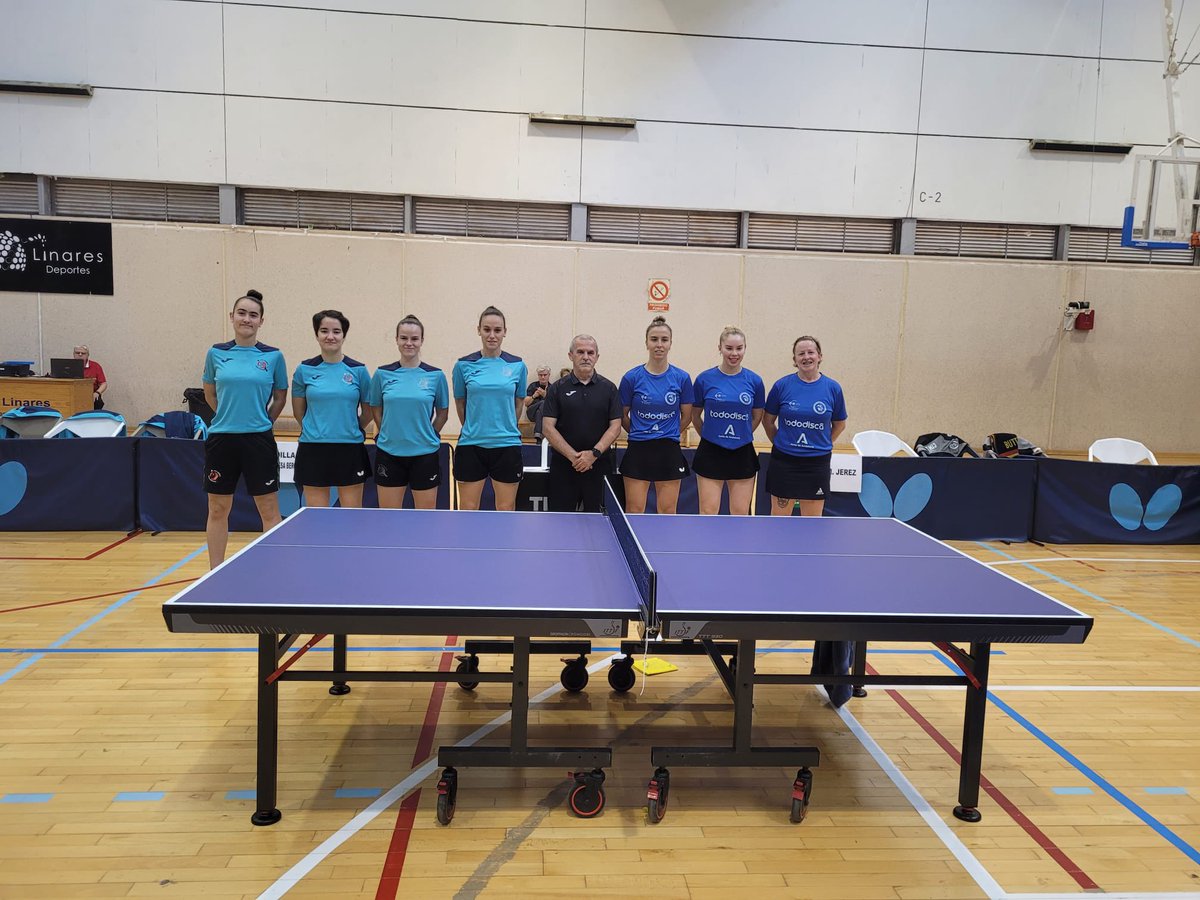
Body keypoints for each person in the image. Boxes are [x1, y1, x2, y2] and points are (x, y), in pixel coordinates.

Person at [201, 289, 287, 567]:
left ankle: (274, 569)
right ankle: (215, 571)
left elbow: (280, 396)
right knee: (217, 508)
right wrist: (229, 417)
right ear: (232, 317)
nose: (247, 319)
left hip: (258, 440)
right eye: (242, 313)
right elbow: (210, 394)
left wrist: (261, 422)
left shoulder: (273, 356)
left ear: (261, 321)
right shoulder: (216, 353)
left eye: (253, 315)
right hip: (222, 440)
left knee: (269, 509)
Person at [291, 309, 372, 510]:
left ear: (343, 335)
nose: (330, 336)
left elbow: (369, 411)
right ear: (316, 334)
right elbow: (298, 412)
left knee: (352, 516)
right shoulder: (304, 370)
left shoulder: (358, 370)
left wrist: (351, 427)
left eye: (336, 331)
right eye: (324, 331)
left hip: (349, 448)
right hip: (313, 448)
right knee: (317, 517)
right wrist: (317, 429)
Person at [368, 315, 450, 510]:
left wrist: (429, 434)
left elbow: (443, 413)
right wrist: (385, 431)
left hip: (425, 454)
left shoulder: (435, 376)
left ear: (422, 341)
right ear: (396, 339)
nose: (409, 343)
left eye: (414, 338)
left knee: (424, 521)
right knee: (389, 519)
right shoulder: (382, 374)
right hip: (389, 453)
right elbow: (376, 408)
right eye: (404, 338)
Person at [763, 335, 847, 517]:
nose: (806, 357)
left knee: (811, 524)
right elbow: (767, 420)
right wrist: (780, 442)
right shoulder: (781, 386)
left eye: (811, 352)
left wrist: (824, 442)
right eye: (801, 353)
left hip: (816, 463)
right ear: (794, 360)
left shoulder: (833, 388)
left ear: (820, 356)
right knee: (779, 522)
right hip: (784, 461)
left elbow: (840, 424)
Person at [452, 306, 527, 511]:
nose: (492, 335)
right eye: (487, 330)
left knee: (505, 509)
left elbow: (518, 401)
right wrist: (473, 426)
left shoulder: (517, 365)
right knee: (468, 508)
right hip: (471, 444)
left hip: (507, 444)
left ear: (505, 331)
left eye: (497, 330)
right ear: (479, 330)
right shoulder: (463, 365)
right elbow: (461, 402)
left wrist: (506, 425)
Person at [619, 315, 693, 514]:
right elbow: (622, 415)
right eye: (654, 339)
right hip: (638, 448)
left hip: (668, 448)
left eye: (664, 340)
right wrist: (638, 431)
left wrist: (668, 432)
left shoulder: (682, 378)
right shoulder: (631, 378)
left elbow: (686, 415)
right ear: (646, 343)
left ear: (670, 344)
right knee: (634, 509)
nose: (659, 344)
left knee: (668, 510)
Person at [540, 335, 623, 512]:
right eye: (580, 352)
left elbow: (615, 426)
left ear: (597, 357)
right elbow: (547, 427)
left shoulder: (609, 388)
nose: (586, 356)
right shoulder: (557, 388)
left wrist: (593, 454)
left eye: (590, 352)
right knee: (561, 524)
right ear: (571, 355)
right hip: (564, 467)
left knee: (599, 525)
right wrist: (574, 457)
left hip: (599, 465)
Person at [691, 326, 765, 515]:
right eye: (729, 348)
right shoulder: (704, 379)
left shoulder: (754, 381)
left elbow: (757, 416)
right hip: (711, 452)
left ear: (745, 348)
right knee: (708, 512)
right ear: (720, 348)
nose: (734, 353)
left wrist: (742, 433)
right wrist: (708, 435)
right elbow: (695, 415)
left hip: (742, 453)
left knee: (740, 513)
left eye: (739, 348)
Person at [73, 345, 107, 409]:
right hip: (72, 394)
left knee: (97, 402)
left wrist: (97, 393)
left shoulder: (96, 366)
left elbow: (104, 383)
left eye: (83, 353)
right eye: (77, 353)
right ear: (73, 354)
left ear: (88, 355)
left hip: (91, 395)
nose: (80, 355)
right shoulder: (67, 366)